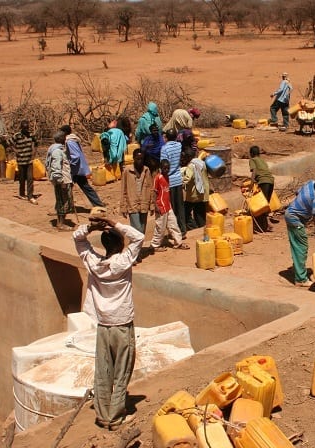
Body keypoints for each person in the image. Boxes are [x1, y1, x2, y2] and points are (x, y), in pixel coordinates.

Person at [73, 215, 144, 431]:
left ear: (104, 245)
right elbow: (139, 237)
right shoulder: (123, 262)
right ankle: (115, 417)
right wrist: (114, 223)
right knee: (122, 371)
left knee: (103, 370)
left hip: (103, 326)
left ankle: (103, 415)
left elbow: (77, 238)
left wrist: (91, 227)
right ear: (121, 244)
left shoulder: (94, 263)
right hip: (122, 325)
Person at [285, 171, 315, 287]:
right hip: (294, 219)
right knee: (302, 246)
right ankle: (300, 279)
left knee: (296, 244)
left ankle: (297, 269)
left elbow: (297, 192)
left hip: (290, 214)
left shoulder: (310, 183)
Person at [62, 125, 105, 208]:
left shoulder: (69, 142)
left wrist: (70, 164)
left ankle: (66, 207)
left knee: (67, 187)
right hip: (79, 168)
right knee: (84, 187)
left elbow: (75, 156)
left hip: (75, 170)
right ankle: (98, 204)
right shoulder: (74, 140)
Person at [151, 158, 189, 251]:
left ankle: (178, 242)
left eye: (168, 168)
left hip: (168, 205)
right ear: (161, 168)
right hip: (161, 206)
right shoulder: (158, 178)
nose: (166, 170)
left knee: (173, 224)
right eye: (164, 168)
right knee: (160, 227)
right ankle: (155, 245)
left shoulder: (167, 177)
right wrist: (155, 206)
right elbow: (154, 193)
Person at [120, 148, 154, 234]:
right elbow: (123, 190)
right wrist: (123, 207)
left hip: (144, 203)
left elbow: (151, 188)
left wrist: (152, 204)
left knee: (142, 230)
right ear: (134, 158)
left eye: (141, 159)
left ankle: (138, 247)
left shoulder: (146, 170)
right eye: (137, 159)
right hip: (132, 204)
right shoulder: (127, 171)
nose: (140, 161)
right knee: (136, 231)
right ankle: (136, 247)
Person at [45, 132, 74, 231]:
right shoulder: (57, 151)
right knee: (64, 202)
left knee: (62, 201)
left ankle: (61, 222)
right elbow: (56, 167)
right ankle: (60, 224)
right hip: (63, 181)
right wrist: (61, 181)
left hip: (63, 179)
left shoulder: (56, 149)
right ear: (62, 139)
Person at [161, 128, 187, 236]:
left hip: (169, 181)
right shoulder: (179, 146)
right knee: (180, 206)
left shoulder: (164, 149)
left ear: (166, 137)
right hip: (178, 179)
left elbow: (163, 164)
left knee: (171, 209)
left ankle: (174, 232)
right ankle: (183, 230)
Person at [182, 148, 210, 230]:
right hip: (203, 192)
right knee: (200, 213)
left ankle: (193, 227)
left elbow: (187, 178)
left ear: (188, 157)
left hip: (194, 194)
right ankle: (201, 228)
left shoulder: (191, 166)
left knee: (185, 212)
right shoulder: (201, 163)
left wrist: (179, 183)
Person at [249, 145, 275, 232]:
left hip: (264, 182)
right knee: (265, 205)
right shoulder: (262, 160)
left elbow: (254, 172)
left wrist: (251, 184)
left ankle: (262, 226)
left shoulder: (252, 160)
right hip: (271, 181)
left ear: (251, 154)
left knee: (261, 206)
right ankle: (266, 225)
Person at [11, 121, 38, 204]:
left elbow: (35, 143)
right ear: (21, 128)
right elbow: (10, 143)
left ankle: (30, 195)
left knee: (30, 178)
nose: (26, 130)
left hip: (29, 160)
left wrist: (34, 152)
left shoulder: (31, 135)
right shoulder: (17, 136)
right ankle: (22, 193)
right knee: (22, 178)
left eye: (27, 128)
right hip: (20, 160)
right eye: (24, 128)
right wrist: (15, 151)